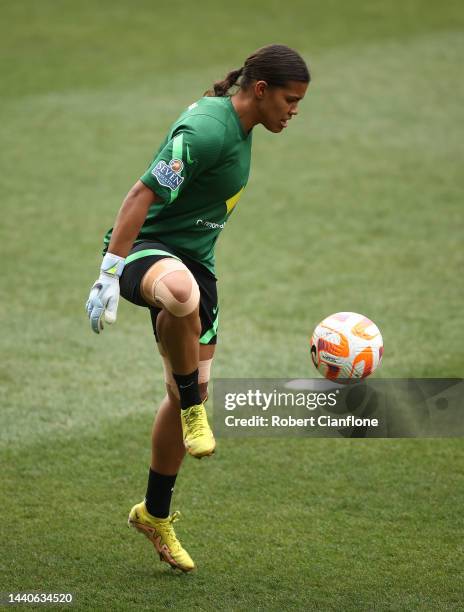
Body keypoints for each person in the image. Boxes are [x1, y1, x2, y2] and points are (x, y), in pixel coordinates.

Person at [86, 43, 310, 572]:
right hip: (146, 251)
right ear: (260, 91)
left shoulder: (242, 126)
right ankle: (194, 411)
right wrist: (109, 272)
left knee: (183, 361)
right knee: (179, 294)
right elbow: (141, 194)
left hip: (196, 261)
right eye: (290, 99)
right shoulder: (207, 132)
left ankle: (154, 514)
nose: (294, 111)